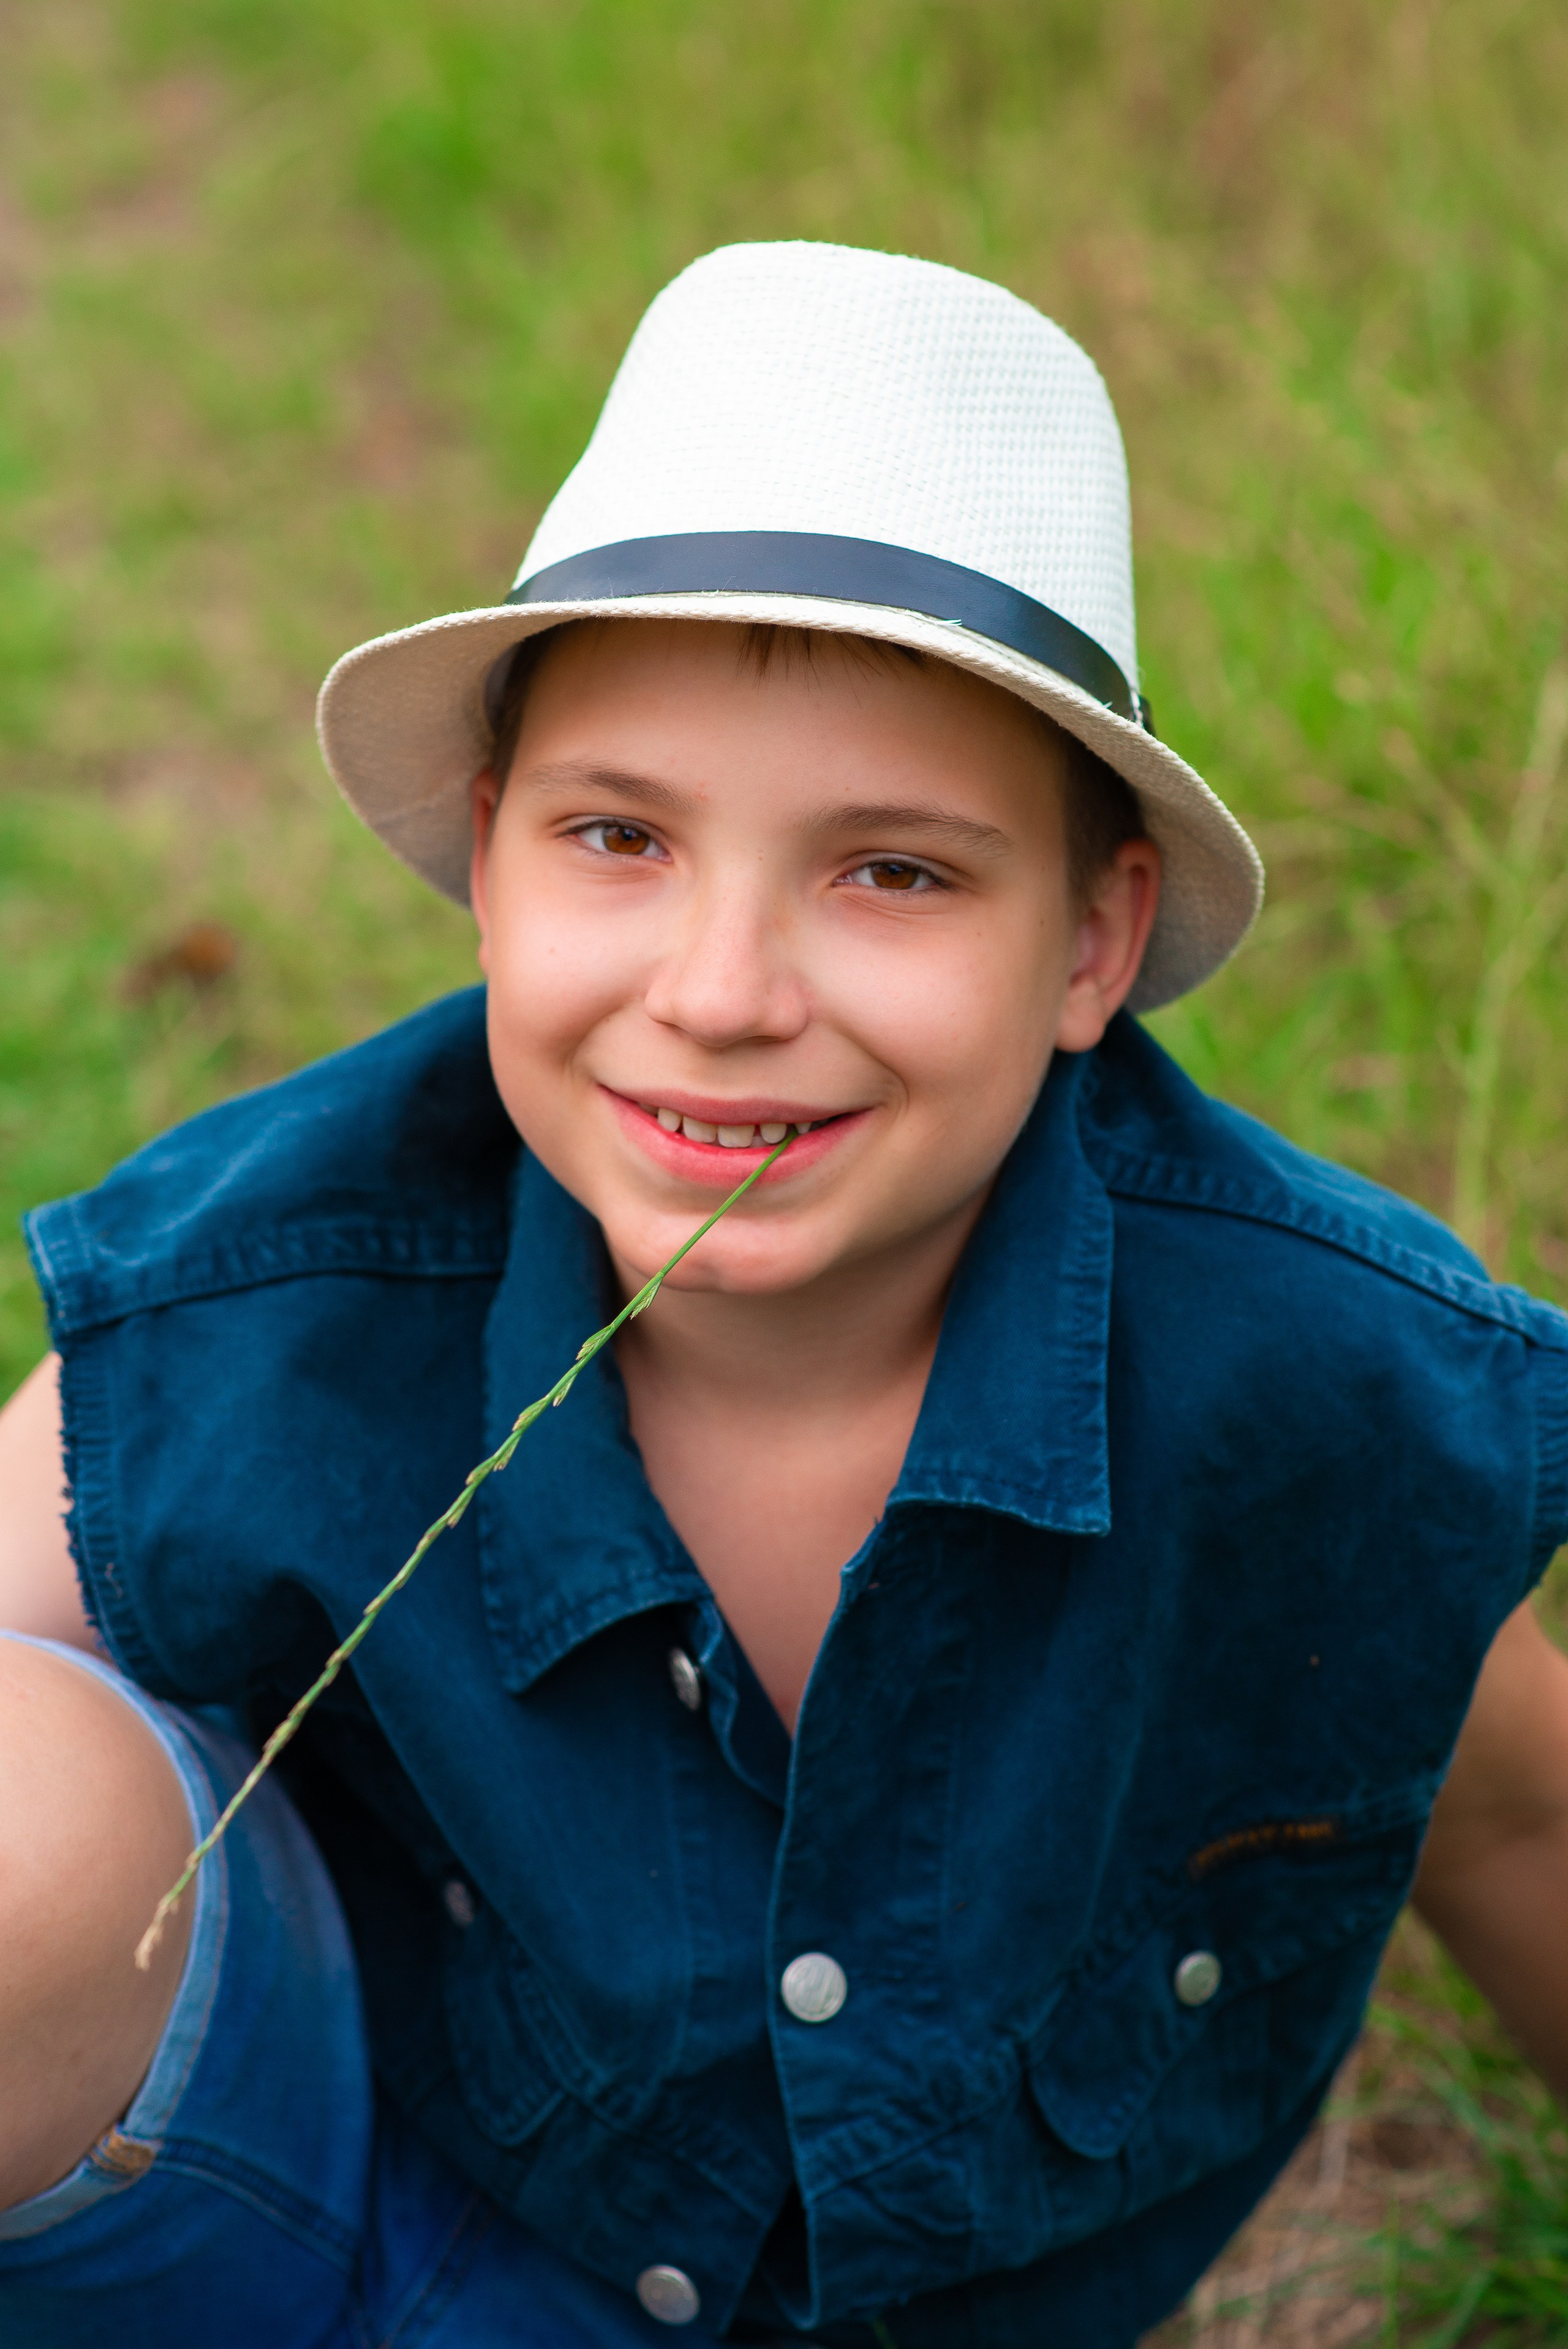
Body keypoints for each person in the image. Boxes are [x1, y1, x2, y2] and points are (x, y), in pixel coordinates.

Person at [2, 240, 1567, 2349]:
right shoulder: (293, 1286)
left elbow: (1522, 1810)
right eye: (618, 837)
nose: (721, 996)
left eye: (894, 870)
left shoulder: (1304, 1389)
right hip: (352, 2233)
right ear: (490, 856)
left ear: (1095, 945)